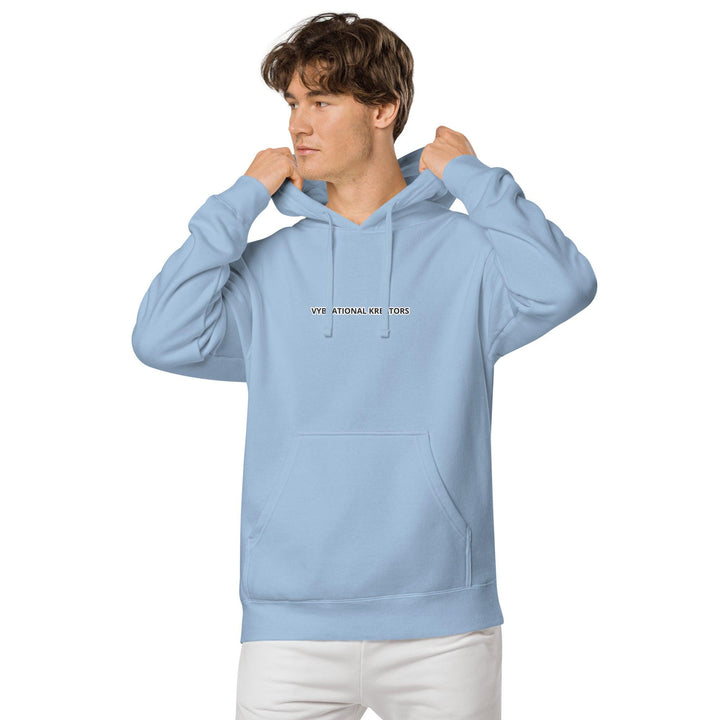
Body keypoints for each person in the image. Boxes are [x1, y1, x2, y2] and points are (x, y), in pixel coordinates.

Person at [131, 11, 597, 720]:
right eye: (293, 103)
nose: (298, 124)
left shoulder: (470, 256)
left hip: (443, 627)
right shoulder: (267, 268)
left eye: (321, 101)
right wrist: (241, 198)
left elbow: (564, 286)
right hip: (289, 627)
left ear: (384, 110)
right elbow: (162, 337)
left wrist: (474, 178)